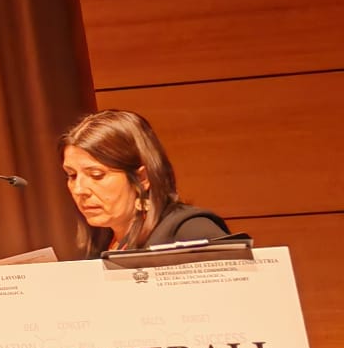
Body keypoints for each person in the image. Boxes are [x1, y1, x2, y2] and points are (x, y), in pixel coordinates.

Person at [60, 108, 230, 256]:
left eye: (97, 175)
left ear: (142, 178)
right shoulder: (99, 242)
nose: (79, 189)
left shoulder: (191, 231)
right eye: (72, 175)